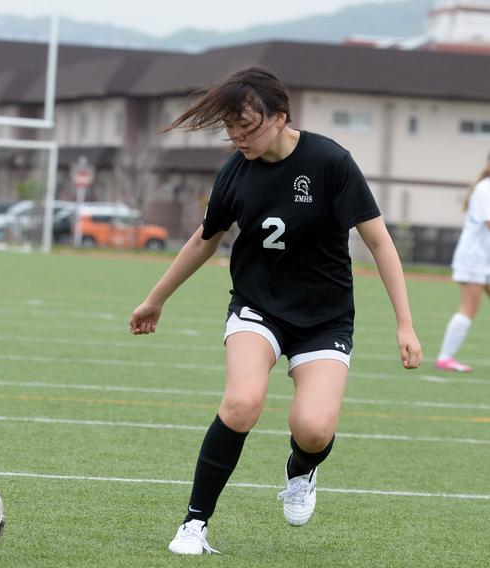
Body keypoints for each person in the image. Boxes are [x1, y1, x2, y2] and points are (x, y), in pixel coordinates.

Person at [129, 66, 422, 555]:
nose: (238, 137)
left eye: (248, 126)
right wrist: (155, 298)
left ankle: (301, 468)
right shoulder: (234, 173)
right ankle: (194, 524)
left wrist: (405, 323)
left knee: (312, 428)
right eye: (231, 128)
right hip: (257, 307)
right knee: (242, 402)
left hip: (325, 318)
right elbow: (205, 241)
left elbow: (379, 241)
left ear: (281, 115)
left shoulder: (330, 161)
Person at [435, 152, 490, 372]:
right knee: (469, 308)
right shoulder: (485, 188)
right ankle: (445, 358)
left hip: (484, 259)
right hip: (473, 259)